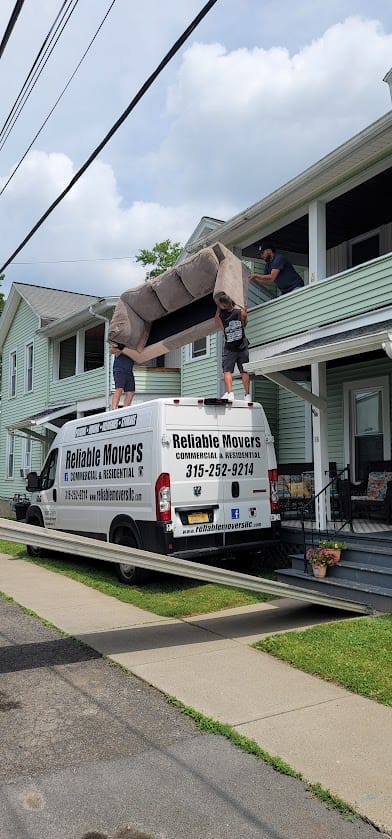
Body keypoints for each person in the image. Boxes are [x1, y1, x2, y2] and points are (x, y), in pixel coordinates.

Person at [214, 294, 251, 401]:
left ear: (223, 306)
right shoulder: (241, 313)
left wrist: (218, 308)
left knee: (227, 371)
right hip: (242, 346)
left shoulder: (221, 316)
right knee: (244, 371)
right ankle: (247, 395)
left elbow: (217, 320)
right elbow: (244, 323)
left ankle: (230, 393)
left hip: (230, 348)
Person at [110, 343, 135, 409]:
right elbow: (111, 351)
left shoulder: (134, 346)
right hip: (119, 369)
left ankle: (125, 409)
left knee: (131, 392)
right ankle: (114, 409)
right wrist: (120, 349)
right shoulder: (121, 342)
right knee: (119, 388)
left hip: (129, 370)